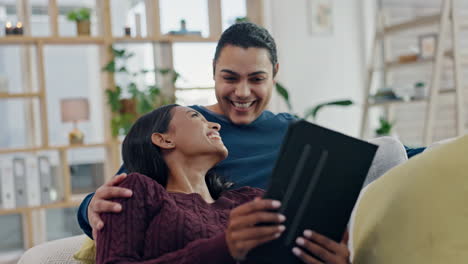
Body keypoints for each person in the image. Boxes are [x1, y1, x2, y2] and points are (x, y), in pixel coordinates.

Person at [96, 104, 349, 264]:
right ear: (164, 139)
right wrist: (223, 248)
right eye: (196, 116)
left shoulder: (249, 199)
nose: (215, 124)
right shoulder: (137, 189)